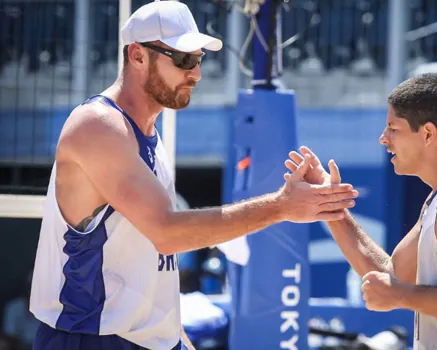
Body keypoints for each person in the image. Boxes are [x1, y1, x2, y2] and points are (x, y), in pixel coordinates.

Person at [28, 2, 358, 350]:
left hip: (145, 338)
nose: (196, 73)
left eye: (198, 59)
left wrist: (176, 338)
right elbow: (167, 233)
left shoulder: (147, 131)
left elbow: (154, 266)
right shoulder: (97, 126)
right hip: (91, 336)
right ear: (138, 55)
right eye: (183, 60)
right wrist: (282, 206)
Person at [284, 73, 437, 349]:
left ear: (428, 133)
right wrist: (330, 204)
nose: (383, 139)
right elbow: (392, 277)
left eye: (393, 128)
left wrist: (402, 296)